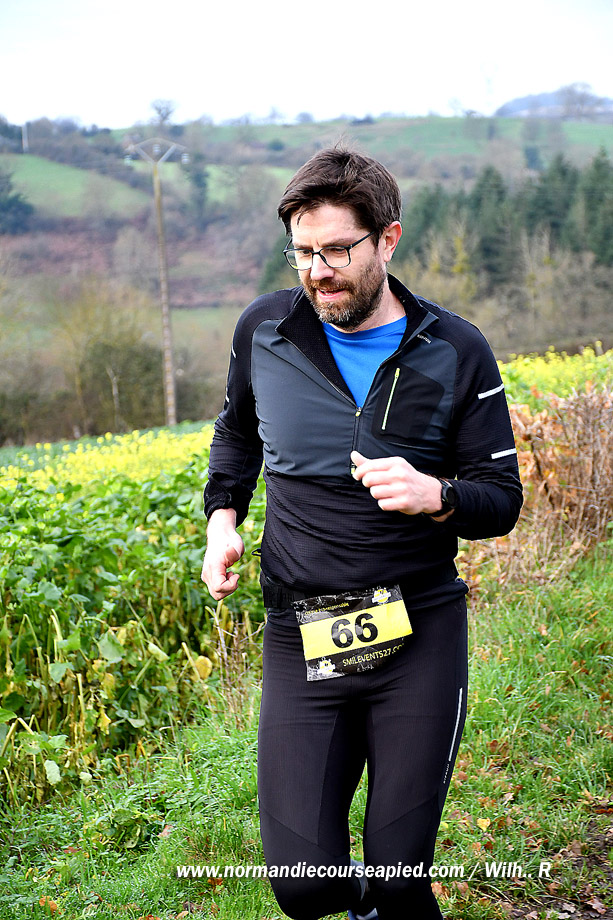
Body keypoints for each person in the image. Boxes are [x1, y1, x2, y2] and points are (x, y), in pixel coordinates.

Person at [201, 147, 522, 920]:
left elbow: (500, 499)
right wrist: (222, 523)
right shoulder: (265, 330)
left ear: (388, 239)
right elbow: (236, 435)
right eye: (303, 252)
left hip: (418, 631)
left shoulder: (455, 349)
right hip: (302, 631)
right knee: (302, 887)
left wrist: (434, 495)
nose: (318, 272)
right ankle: (361, 903)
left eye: (338, 250)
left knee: (400, 877)